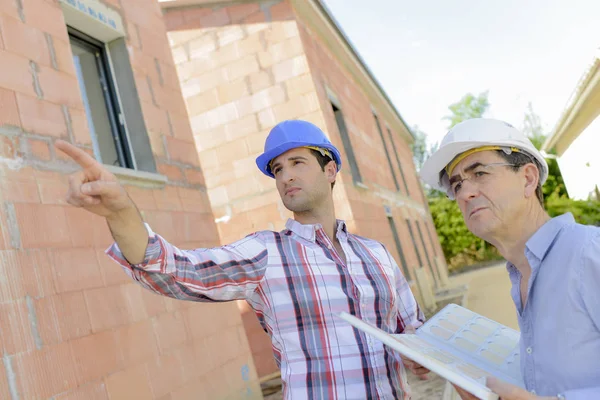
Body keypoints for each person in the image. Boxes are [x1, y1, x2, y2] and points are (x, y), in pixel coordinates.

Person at [56, 119, 429, 399]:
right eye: (277, 170)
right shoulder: (266, 253)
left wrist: (420, 354)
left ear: (330, 170)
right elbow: (176, 269)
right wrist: (121, 212)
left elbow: (413, 330)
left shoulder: (377, 255)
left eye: (297, 163)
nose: (285, 177)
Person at [420, 118, 600, 400]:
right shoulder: (522, 274)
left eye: (479, 173)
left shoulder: (589, 251)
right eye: (456, 185)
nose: (465, 193)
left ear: (528, 178)